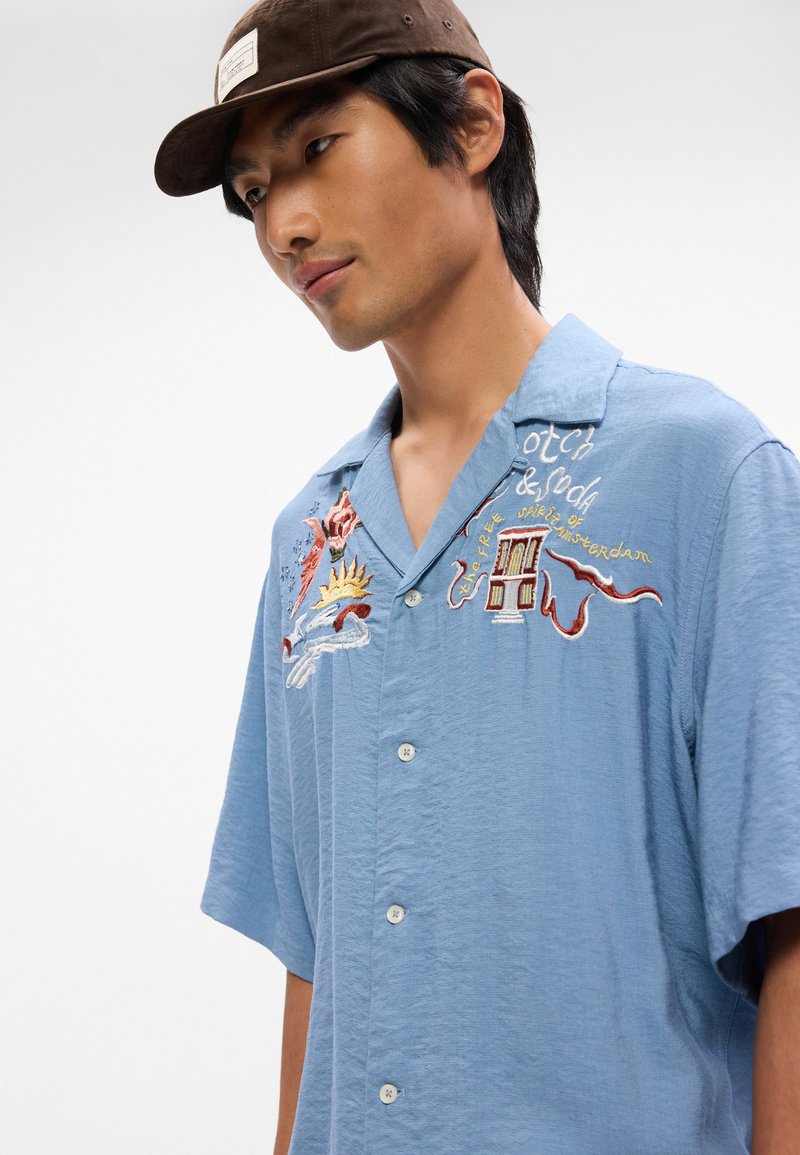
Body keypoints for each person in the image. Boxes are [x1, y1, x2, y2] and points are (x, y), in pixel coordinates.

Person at [155, 2, 800, 1151]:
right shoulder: (311, 542)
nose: (284, 225)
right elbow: (314, 959)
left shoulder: (701, 473)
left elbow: (788, 911)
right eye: (252, 193)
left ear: (471, 124)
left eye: (316, 148)